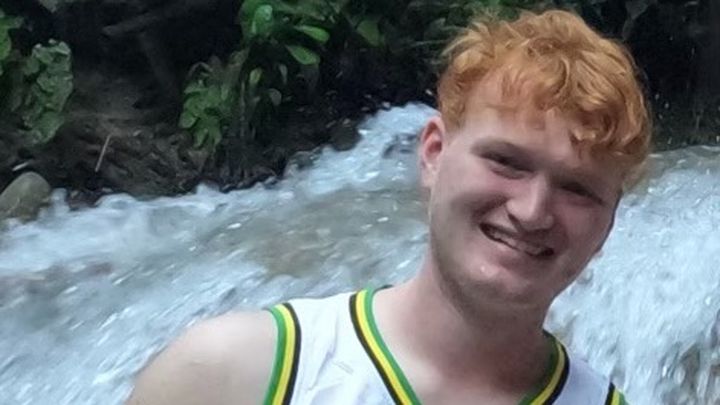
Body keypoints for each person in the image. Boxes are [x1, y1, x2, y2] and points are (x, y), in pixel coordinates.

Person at [127, 8, 650, 405]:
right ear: (433, 155)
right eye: (506, 161)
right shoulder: (231, 375)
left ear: (608, 222)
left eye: (578, 189)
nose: (532, 211)